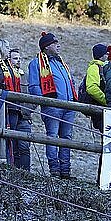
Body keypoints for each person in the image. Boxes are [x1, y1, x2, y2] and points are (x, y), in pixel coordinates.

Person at [28, 32, 77, 179]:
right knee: (52, 137)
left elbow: (71, 82)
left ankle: (65, 171)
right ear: (47, 46)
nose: (58, 46)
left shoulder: (61, 63)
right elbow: (34, 86)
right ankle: (54, 170)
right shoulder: (36, 63)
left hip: (69, 107)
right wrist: (46, 100)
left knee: (66, 138)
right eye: (55, 44)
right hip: (52, 106)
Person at [0, 39, 31, 171]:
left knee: (11, 138)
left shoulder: (10, 67)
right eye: (7, 47)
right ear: (0, 48)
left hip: (13, 108)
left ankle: (9, 165)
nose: (9, 49)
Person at [79, 43, 108, 130]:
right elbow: (92, 88)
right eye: (106, 53)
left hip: (102, 109)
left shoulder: (103, 67)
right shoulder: (94, 68)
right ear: (101, 56)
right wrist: (106, 101)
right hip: (99, 109)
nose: (108, 55)